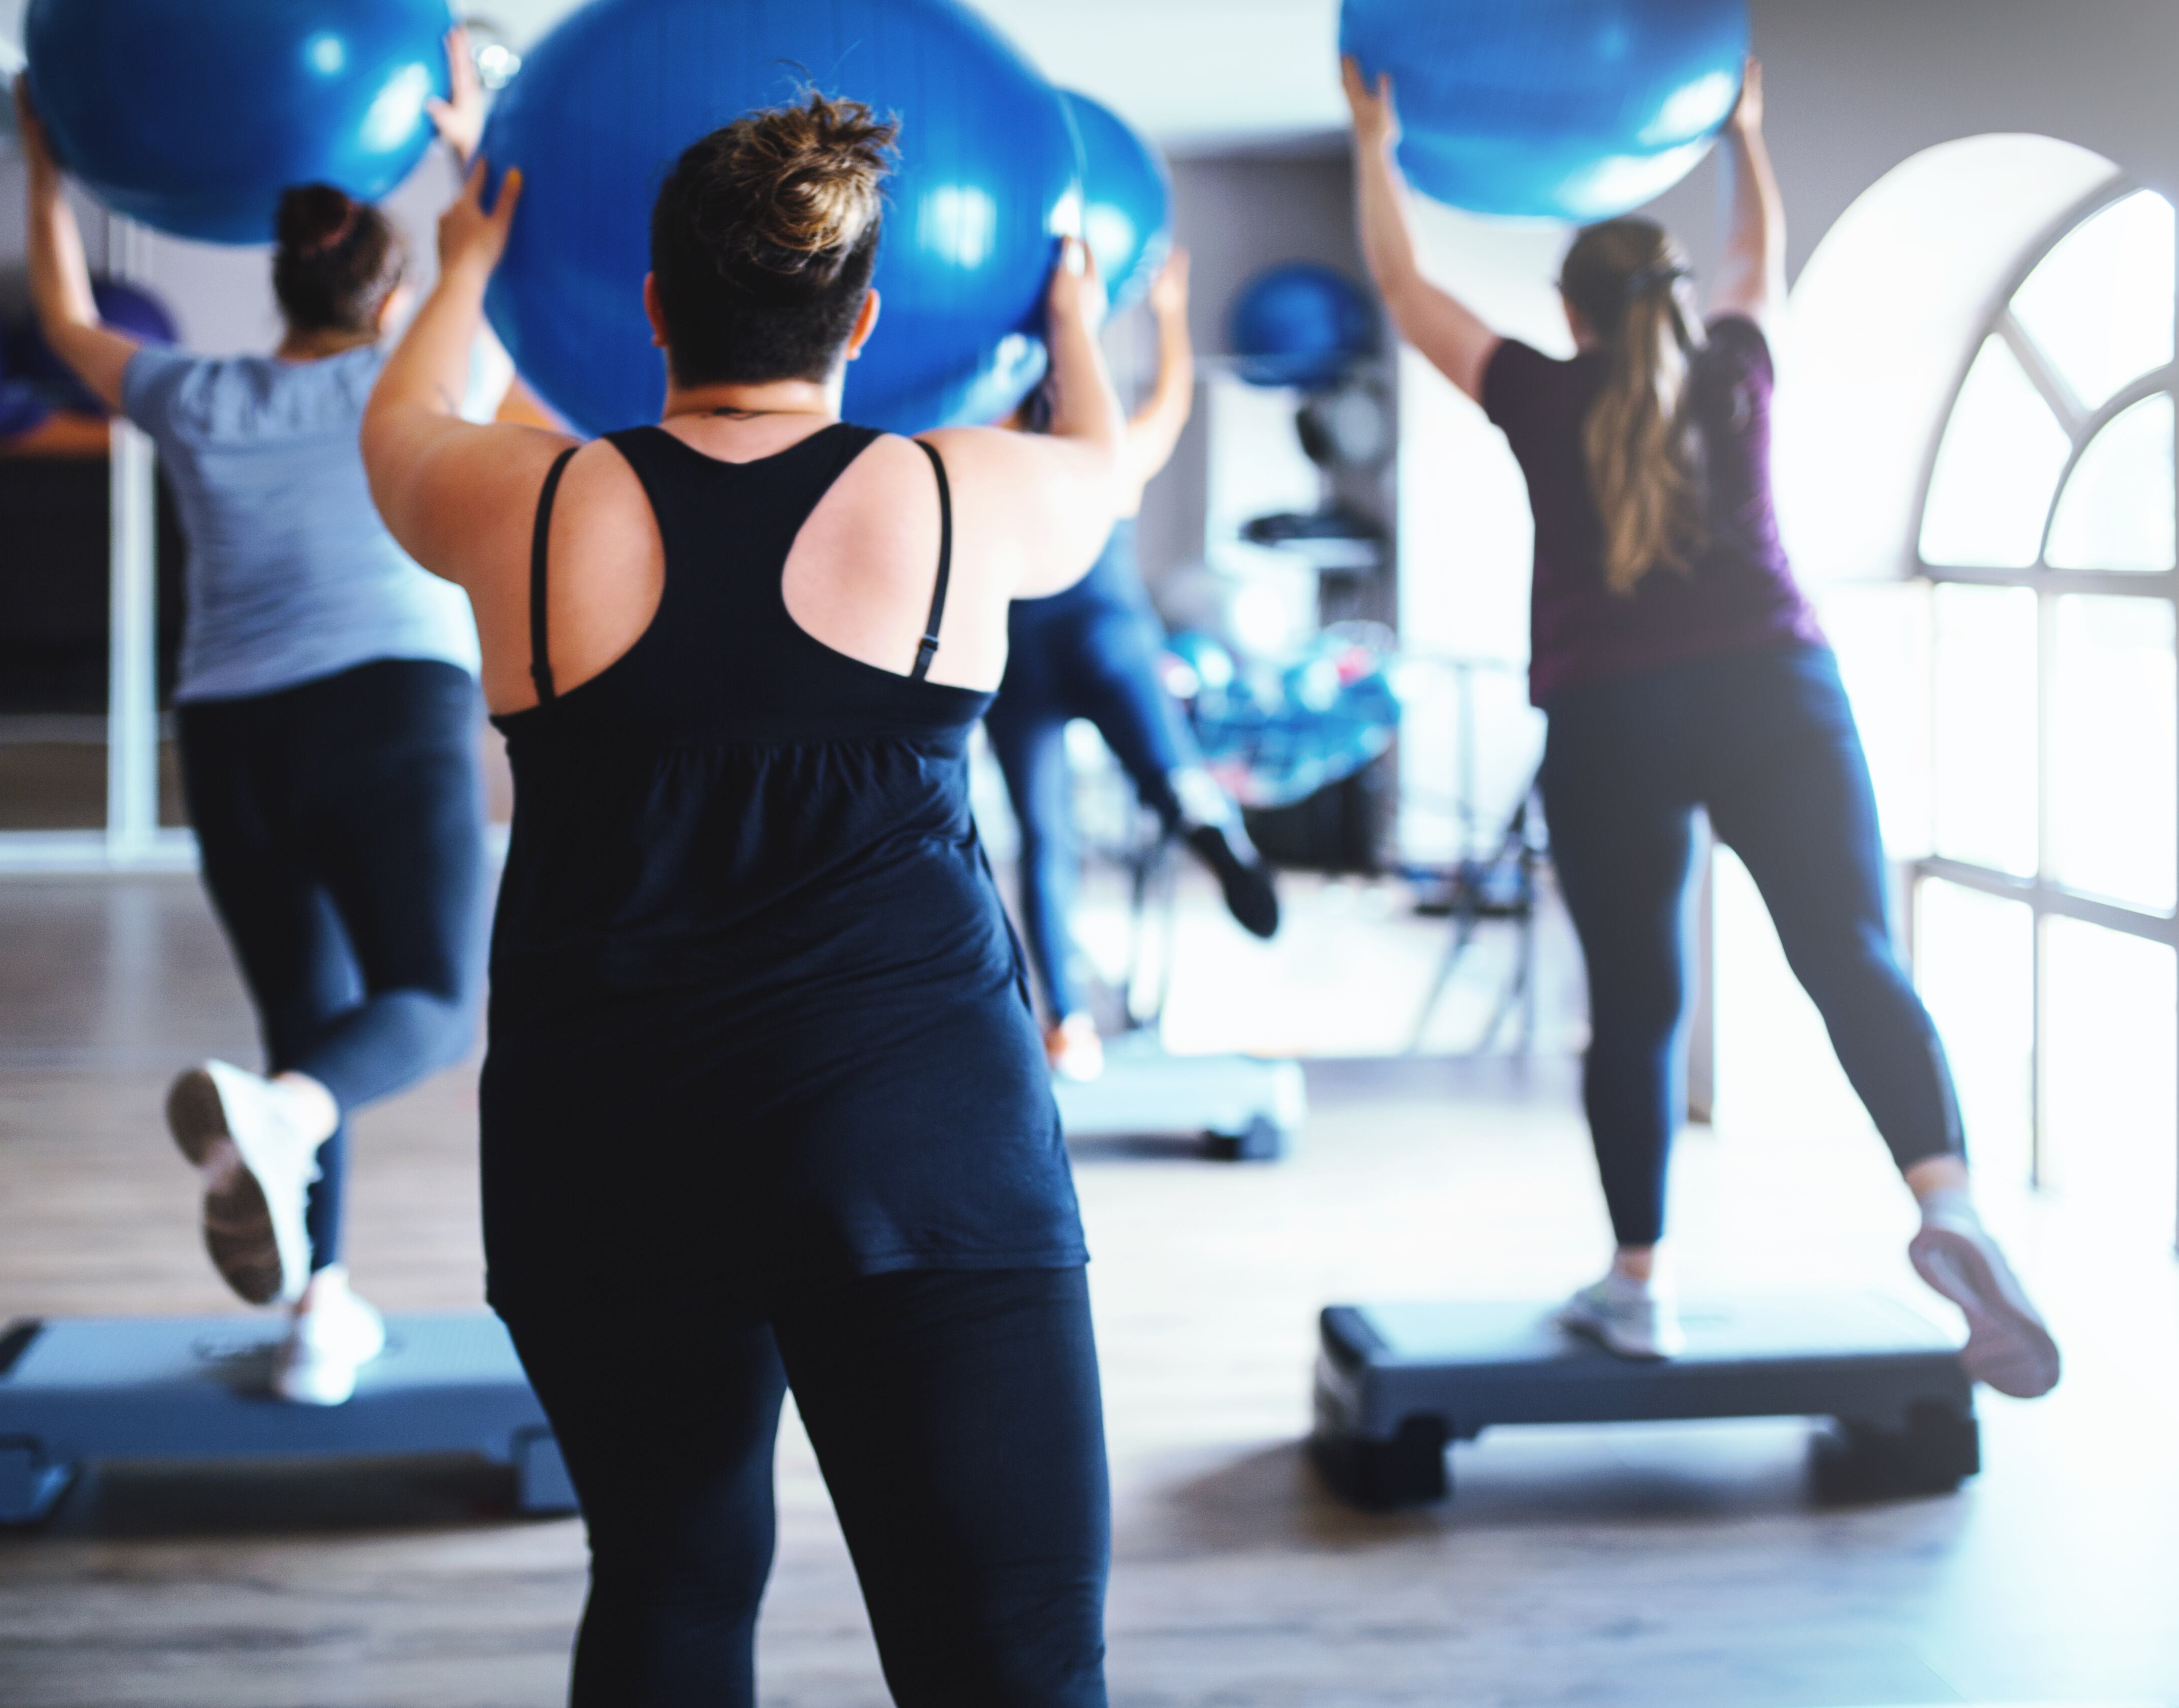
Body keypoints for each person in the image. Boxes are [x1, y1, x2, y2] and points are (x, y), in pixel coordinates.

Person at [363, 93, 1117, 1706]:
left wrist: (467, 258)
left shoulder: (530, 504)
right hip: (919, 1154)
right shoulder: (959, 491)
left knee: (671, 1588)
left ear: (646, 310)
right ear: (863, 322)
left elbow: (402, 414)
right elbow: (1105, 463)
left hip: (607, 1151)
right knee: (1013, 1660)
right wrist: (1082, 320)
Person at [1341, 59, 2059, 1397]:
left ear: (1571, 313)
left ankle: (1637, 1284)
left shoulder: (1540, 395)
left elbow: (1404, 290)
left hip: (1612, 715)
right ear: (1670, 300)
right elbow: (1755, 251)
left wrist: (1376, 144)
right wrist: (1746, 134)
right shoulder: (1738, 363)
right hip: (1777, 689)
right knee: (1851, 954)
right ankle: (1948, 1199)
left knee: (1638, 1007)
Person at [17, 31, 498, 1406]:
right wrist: (475, 140)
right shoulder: (414, 384)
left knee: (310, 1016)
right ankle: (280, 1132)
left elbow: (63, 321)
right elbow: (486, 255)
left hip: (231, 739)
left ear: (279, 279)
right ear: (389, 285)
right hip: (390, 714)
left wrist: (47, 166)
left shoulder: (197, 393)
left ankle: (317, 1318)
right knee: (427, 1009)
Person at [990, 248, 1281, 1081]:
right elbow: (1173, 402)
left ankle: (1069, 1026)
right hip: (1107, 632)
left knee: (1046, 836)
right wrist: (1169, 316)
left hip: (1019, 657)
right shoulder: (1111, 455)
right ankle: (1213, 832)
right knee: (1165, 767)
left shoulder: (991, 455)